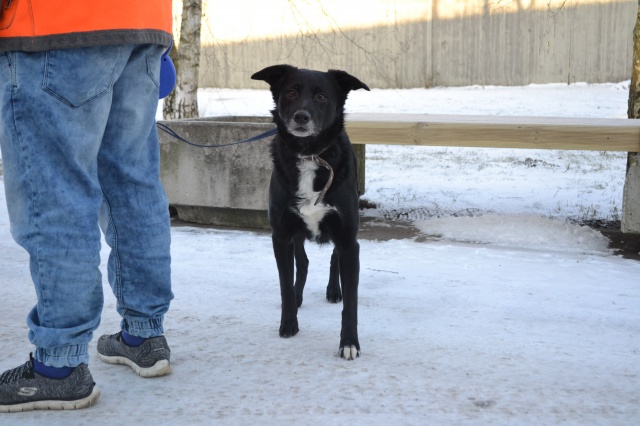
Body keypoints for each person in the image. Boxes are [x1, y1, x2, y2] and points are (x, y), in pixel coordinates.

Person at [0, 0, 175, 412]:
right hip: (143, 22)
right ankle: (144, 334)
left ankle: (59, 367)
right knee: (132, 181)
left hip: (51, 26)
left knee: (55, 191)